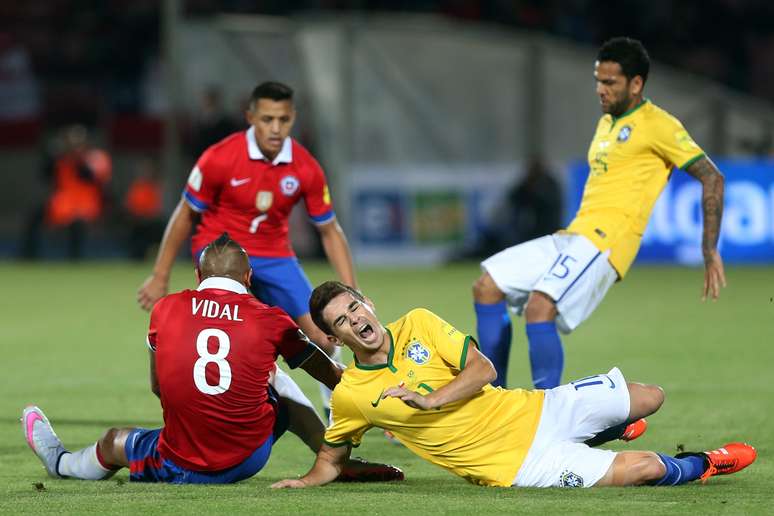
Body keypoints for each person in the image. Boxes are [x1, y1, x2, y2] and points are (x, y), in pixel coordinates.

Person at [270, 281, 755, 489]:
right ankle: (705, 463)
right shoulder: (353, 393)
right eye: (341, 322)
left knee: (651, 397)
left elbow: (484, 370)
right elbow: (332, 457)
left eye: (354, 307)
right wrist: (304, 481)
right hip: (522, 465)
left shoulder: (419, 322)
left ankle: (601, 430)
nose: (355, 321)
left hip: (534, 409)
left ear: (367, 302)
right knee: (646, 468)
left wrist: (430, 399)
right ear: (333, 338)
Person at [23, 235, 402, 484]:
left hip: (180, 460)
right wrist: (387, 405)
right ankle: (336, 462)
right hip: (250, 456)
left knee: (114, 442)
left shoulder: (166, 308)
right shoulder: (271, 319)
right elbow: (334, 375)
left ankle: (61, 464)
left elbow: (159, 388)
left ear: (197, 273)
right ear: (249, 277)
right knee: (277, 381)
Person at [473, 37, 727, 389]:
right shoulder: (607, 122)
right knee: (487, 285)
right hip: (574, 236)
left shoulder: (659, 125)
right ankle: (490, 399)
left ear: (636, 84)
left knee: (539, 307)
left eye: (610, 82)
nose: (600, 90)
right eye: (598, 80)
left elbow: (712, 176)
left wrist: (709, 247)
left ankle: (547, 417)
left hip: (608, 241)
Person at [136, 81, 357, 413]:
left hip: (276, 256)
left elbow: (329, 230)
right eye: (267, 119)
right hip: (223, 258)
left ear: (292, 118)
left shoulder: (304, 166)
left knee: (325, 336)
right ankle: (259, 410)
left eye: (283, 120)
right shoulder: (220, 158)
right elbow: (185, 214)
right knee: (246, 340)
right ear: (250, 117)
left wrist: (351, 290)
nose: (275, 128)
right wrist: (159, 275)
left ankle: (339, 410)